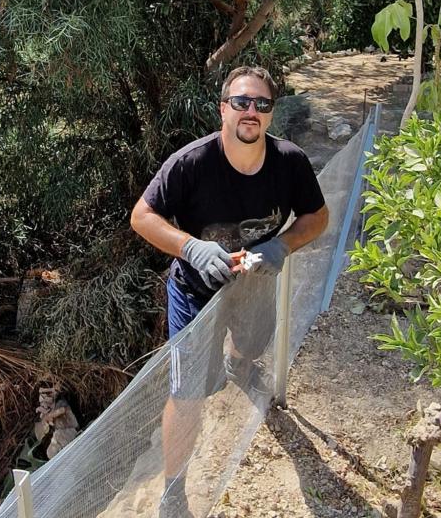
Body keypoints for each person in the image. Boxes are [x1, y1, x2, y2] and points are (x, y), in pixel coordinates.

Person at [130, 65, 329, 518]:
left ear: (271, 115)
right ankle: (173, 491)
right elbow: (142, 216)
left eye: (262, 104)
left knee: (252, 344)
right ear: (223, 109)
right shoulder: (191, 164)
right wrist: (192, 247)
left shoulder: (289, 162)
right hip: (194, 296)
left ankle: (238, 364)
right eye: (241, 102)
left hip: (255, 286)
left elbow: (317, 218)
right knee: (186, 395)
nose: (251, 111)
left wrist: (281, 244)